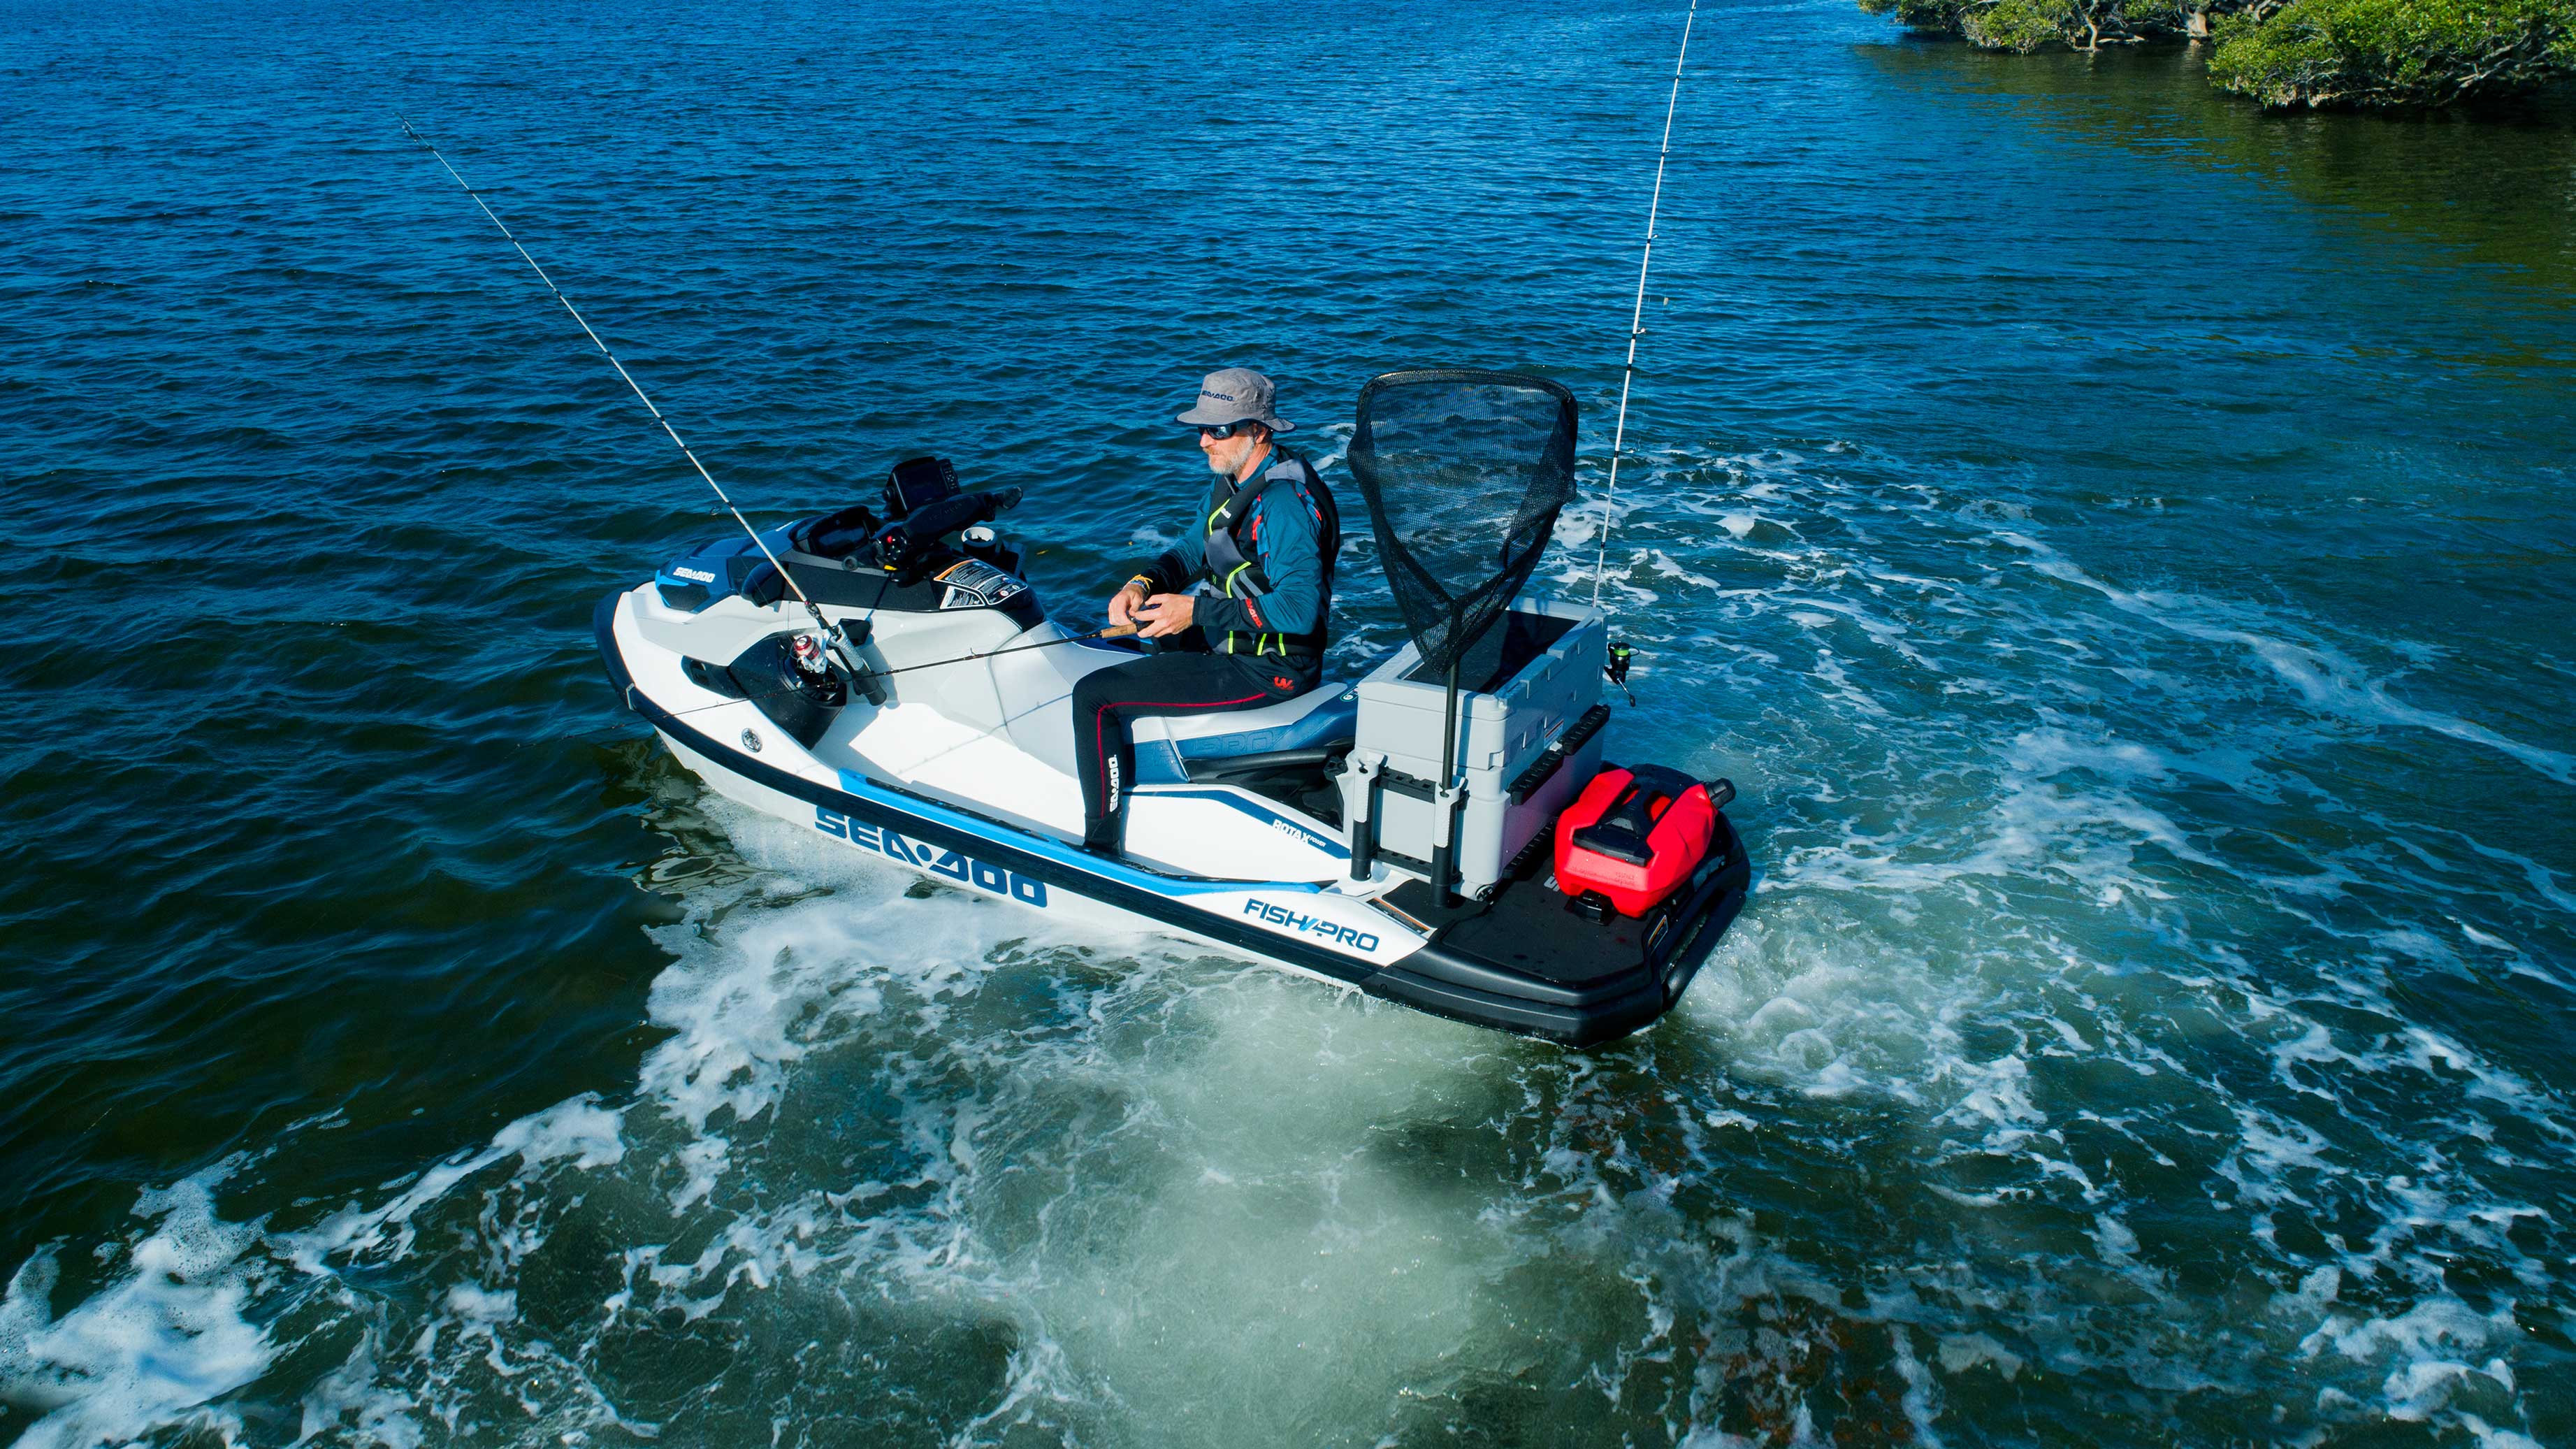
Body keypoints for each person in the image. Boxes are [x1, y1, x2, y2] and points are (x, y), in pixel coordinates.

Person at [1071, 367, 1338, 856]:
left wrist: (1195, 612)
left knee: (1094, 697)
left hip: (1271, 668)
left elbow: (1300, 612)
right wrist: (1142, 583)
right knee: (1154, 620)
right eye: (1201, 428)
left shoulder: (1283, 504)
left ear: (1258, 430)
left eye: (1218, 429)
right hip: (1234, 644)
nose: (1203, 441)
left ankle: (1101, 845)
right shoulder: (1236, 478)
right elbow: (1195, 548)